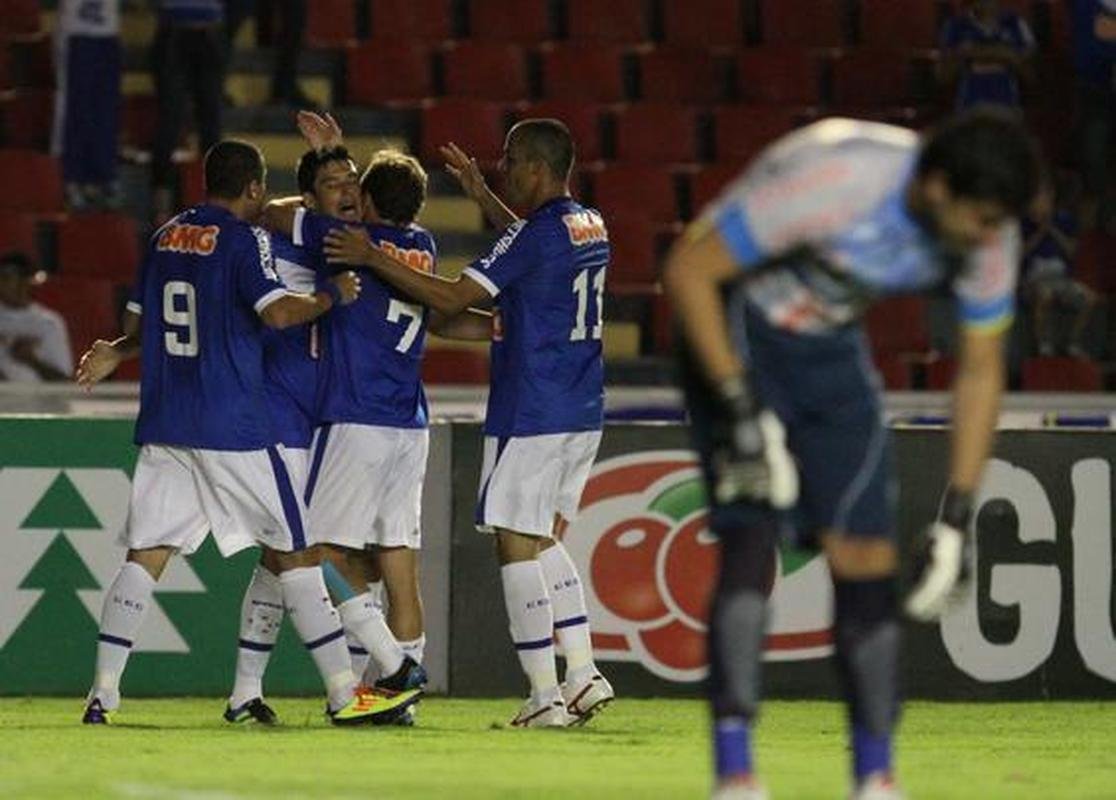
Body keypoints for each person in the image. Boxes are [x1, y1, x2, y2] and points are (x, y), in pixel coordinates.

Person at [660, 109, 1040, 799]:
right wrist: (742, 415)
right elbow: (689, 269)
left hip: (829, 349)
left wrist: (958, 517)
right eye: (981, 219)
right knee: (752, 535)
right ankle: (736, 774)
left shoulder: (991, 230)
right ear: (936, 189)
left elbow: (981, 369)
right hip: (737, 329)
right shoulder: (835, 180)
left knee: (867, 556)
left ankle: (875, 777)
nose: (991, 238)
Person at [74, 139, 419, 727]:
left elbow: (148, 323)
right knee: (299, 555)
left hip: (168, 420)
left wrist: (119, 351)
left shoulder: (164, 237)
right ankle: (346, 691)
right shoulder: (247, 241)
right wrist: (330, 295)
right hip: (236, 423)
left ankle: (104, 693)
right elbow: (278, 313)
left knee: (145, 556)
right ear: (256, 188)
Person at [323, 119, 616, 728]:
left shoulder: (536, 236)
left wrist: (372, 254)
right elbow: (538, 247)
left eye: (511, 162)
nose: (503, 168)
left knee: (515, 544)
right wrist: (483, 196)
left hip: (534, 407)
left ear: (536, 168)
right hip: (583, 404)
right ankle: (583, 673)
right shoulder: (589, 224)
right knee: (543, 538)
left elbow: (455, 298)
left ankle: (543, 698)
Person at [224, 139, 367, 725]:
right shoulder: (276, 242)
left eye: (352, 179)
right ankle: (348, 686)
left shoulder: (338, 245)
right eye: (334, 183)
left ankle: (244, 694)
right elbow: (261, 210)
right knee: (300, 553)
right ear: (308, 197)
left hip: (312, 420)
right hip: (275, 417)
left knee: (275, 559)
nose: (349, 191)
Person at [151, 0, 226, 224]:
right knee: (170, 124)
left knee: (211, 124)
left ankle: (217, 205)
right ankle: (161, 208)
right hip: (175, 30)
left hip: (208, 31)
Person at [52, 0, 123, 210]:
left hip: (107, 32)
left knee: (106, 110)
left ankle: (104, 174)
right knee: (75, 107)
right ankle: (72, 176)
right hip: (77, 31)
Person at [1021, 177, 1098, 358]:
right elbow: (1021, 253)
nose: (1042, 200)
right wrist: (1040, 231)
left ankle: (1072, 343)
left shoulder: (1064, 220)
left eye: (1046, 196)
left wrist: (1052, 229)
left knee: (1089, 298)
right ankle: (1044, 346)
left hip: (1061, 278)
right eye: (1039, 196)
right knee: (1045, 294)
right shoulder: (1024, 222)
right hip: (1033, 279)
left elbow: (1073, 252)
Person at [939, 0, 1035, 111]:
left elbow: (1031, 74)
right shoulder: (955, 25)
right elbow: (943, 76)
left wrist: (1007, 56)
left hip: (1007, 102)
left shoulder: (1015, 24)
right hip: (969, 104)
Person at [0, 252, 72, 382]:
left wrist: (32, 361)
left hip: (40, 401)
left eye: (7, 278)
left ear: (25, 282)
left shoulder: (49, 323)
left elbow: (64, 382)